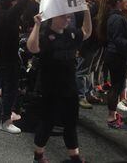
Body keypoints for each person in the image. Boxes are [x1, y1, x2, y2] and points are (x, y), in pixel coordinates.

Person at [27, 10, 91, 163]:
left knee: (70, 122)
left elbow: (86, 32)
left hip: (69, 88)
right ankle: (39, 154)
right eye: (63, 16)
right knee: (47, 122)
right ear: (53, 17)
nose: (67, 19)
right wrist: (37, 25)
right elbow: (32, 48)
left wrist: (86, 11)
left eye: (68, 16)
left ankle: (74, 155)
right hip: (50, 88)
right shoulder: (45, 34)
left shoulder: (71, 34)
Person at [0, 0, 33, 134]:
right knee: (10, 88)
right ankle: (5, 120)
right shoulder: (6, 15)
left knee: (7, 86)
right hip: (8, 56)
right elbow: (21, 5)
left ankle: (6, 114)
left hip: (3, 54)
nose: (14, 0)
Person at [97, 0, 127, 129]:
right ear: (117, 2)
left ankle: (113, 114)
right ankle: (111, 117)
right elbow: (117, 39)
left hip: (114, 55)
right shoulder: (116, 18)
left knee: (116, 86)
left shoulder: (113, 16)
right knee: (116, 87)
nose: (125, 1)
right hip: (117, 56)